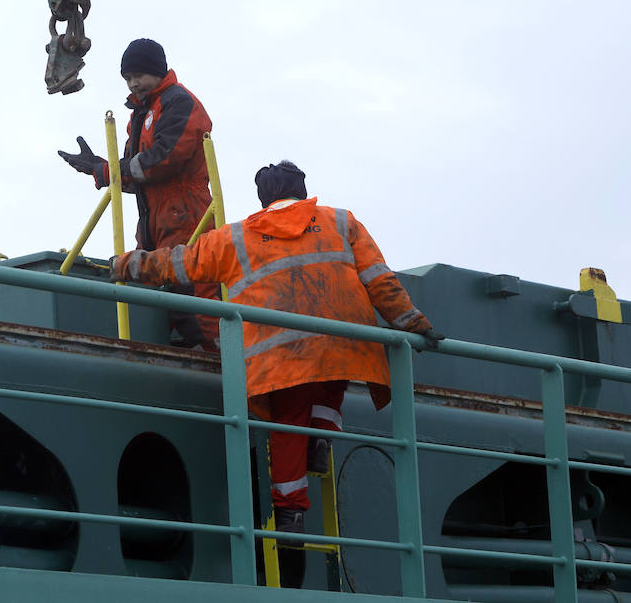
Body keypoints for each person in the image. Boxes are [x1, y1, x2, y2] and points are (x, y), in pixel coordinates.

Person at [109, 160, 444, 547]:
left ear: (263, 198)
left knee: (288, 425)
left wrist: (125, 265)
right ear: (302, 190)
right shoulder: (341, 221)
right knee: (334, 374)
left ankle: (290, 515)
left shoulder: (234, 237)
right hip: (344, 342)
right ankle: (320, 439)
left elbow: (179, 264)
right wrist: (414, 323)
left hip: (279, 356)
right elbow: (379, 279)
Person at [59, 38, 221, 350]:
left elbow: (165, 158)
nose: (134, 83)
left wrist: (110, 172)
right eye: (127, 78)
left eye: (139, 75)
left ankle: (219, 367)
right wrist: (102, 169)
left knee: (197, 302)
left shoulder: (179, 102)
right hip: (152, 224)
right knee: (157, 305)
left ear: (158, 72)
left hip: (186, 219)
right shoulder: (139, 113)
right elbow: (140, 173)